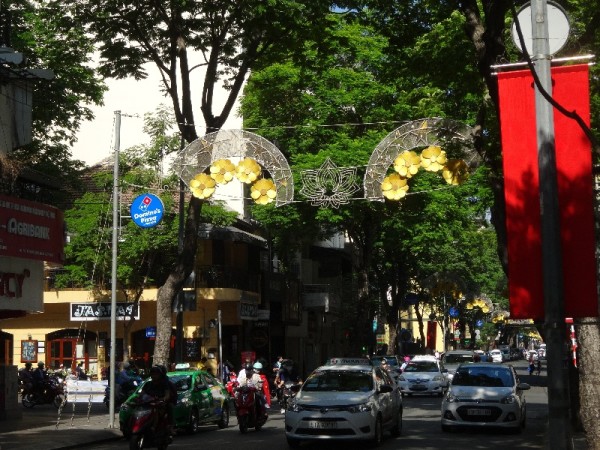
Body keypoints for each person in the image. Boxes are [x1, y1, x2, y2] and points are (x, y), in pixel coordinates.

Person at [140, 365, 176, 435]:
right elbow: (141, 394)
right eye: (152, 374)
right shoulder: (148, 384)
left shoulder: (166, 384)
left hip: (159, 405)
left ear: (161, 375)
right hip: (147, 405)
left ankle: (169, 427)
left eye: (156, 374)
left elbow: (167, 395)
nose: (154, 376)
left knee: (168, 407)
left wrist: (163, 399)